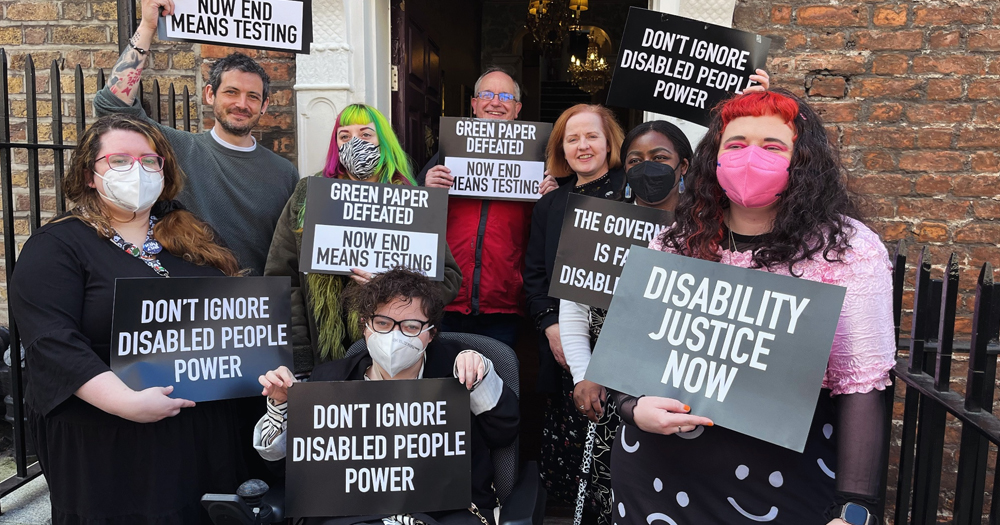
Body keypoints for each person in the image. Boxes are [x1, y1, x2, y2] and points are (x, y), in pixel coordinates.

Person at [610, 90, 895, 524]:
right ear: (715, 158)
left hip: (782, 484)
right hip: (655, 481)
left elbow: (862, 384)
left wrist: (856, 509)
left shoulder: (848, 251)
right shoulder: (673, 243)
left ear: (803, 160)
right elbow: (627, 359)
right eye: (737, 144)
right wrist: (632, 408)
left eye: (773, 146)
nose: (751, 157)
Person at [9, 114, 247, 524]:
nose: (137, 171)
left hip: (204, 432)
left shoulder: (195, 235)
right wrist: (123, 402)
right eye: (119, 160)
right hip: (109, 438)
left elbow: (234, 310)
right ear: (89, 174)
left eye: (149, 161)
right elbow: (52, 341)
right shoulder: (57, 246)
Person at [253, 268, 519, 525]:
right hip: (352, 516)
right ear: (364, 326)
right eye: (382, 323)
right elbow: (287, 468)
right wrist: (282, 405)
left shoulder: (457, 369)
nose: (395, 335)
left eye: (411, 326)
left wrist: (479, 378)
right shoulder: (330, 380)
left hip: (441, 514)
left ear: (431, 333)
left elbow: (503, 432)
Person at [94, 0, 298, 276]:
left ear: (264, 105)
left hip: (258, 308)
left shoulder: (285, 173)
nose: (242, 103)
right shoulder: (177, 148)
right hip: (190, 304)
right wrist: (148, 26)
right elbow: (112, 106)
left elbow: (292, 253)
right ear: (210, 95)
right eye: (231, 92)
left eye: (252, 96)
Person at [556, 120, 694, 525]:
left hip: (682, 386)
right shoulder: (597, 224)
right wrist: (584, 374)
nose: (647, 167)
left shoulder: (708, 231)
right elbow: (574, 308)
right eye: (636, 160)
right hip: (612, 390)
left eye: (660, 158)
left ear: (683, 166)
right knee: (615, 491)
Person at [265, 104, 462, 376]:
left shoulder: (409, 201)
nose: (354, 142)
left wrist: (391, 286)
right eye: (344, 136)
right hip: (324, 356)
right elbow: (282, 279)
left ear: (384, 142)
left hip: (394, 357)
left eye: (366, 134)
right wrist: (298, 352)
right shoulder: (308, 196)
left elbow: (449, 279)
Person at [521, 103, 626, 511]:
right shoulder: (549, 205)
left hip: (624, 346)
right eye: (572, 138)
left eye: (591, 136)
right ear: (561, 150)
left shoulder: (633, 194)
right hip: (569, 347)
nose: (583, 145)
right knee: (576, 454)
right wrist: (551, 327)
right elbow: (535, 274)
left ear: (609, 143)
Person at [419, 67, 538, 349]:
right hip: (443, 299)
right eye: (486, 94)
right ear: (474, 104)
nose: (495, 102)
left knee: (496, 387)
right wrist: (426, 191)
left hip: (502, 305)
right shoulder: (443, 155)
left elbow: (544, 234)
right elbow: (413, 221)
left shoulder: (536, 162)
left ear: (517, 108)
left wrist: (549, 198)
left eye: (505, 96)